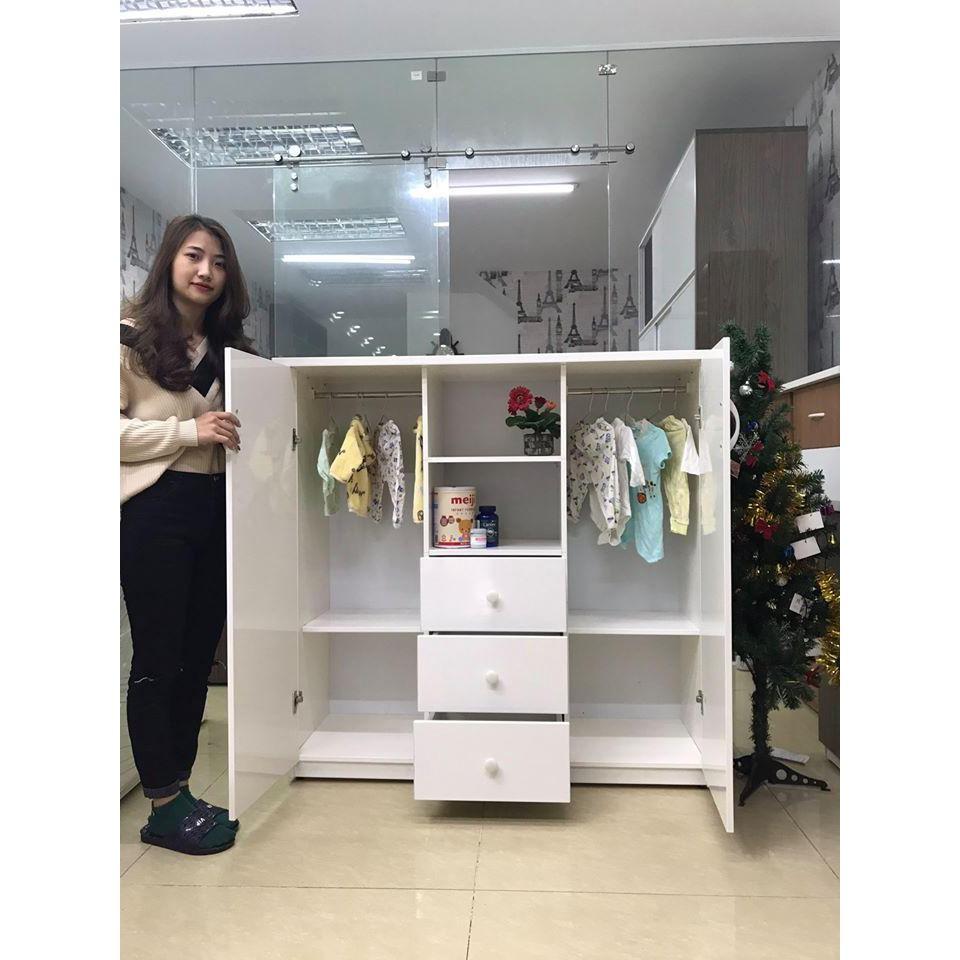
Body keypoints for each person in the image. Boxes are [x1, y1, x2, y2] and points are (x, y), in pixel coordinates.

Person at [120, 215, 256, 855]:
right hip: (154, 508)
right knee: (159, 657)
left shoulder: (231, 353)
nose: (206, 271)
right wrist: (186, 432)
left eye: (219, 262)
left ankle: (178, 792)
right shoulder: (127, 338)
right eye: (194, 256)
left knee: (199, 657)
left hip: (215, 506)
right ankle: (163, 802)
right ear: (169, 261)